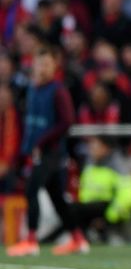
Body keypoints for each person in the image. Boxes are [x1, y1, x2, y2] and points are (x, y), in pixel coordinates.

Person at [6, 48, 78, 257]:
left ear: (55, 67)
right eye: (40, 63)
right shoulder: (32, 90)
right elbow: (30, 125)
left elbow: (67, 122)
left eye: (48, 64)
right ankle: (77, 238)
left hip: (52, 152)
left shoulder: (58, 90)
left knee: (31, 190)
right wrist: (24, 150)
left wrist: (42, 141)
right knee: (57, 197)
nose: (43, 68)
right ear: (34, 65)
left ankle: (30, 240)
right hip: (37, 151)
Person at [56, 135, 131, 254]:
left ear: (106, 148)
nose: (91, 148)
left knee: (74, 210)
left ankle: (108, 233)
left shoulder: (117, 166)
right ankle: (81, 237)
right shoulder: (90, 165)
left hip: (110, 209)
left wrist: (110, 216)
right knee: (71, 208)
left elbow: (128, 194)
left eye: (96, 145)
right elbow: (85, 191)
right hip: (91, 208)